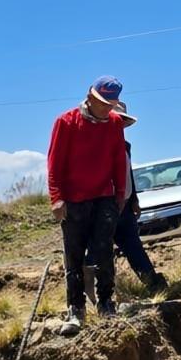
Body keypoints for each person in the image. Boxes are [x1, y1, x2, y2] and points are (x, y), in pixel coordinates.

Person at [47, 75, 129, 336]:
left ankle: (106, 304)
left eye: (111, 104)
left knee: (104, 250)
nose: (107, 108)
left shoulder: (115, 123)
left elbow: (118, 157)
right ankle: (76, 309)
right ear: (90, 96)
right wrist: (56, 197)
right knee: (74, 255)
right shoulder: (67, 122)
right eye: (103, 102)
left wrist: (121, 192)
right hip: (73, 200)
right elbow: (54, 162)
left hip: (104, 196)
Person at [85, 101, 167, 295]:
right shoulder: (94, 144)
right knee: (97, 252)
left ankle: (153, 284)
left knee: (133, 247)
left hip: (125, 207)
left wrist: (134, 200)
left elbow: (127, 173)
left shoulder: (124, 146)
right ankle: (95, 295)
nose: (117, 125)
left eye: (121, 122)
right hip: (102, 207)